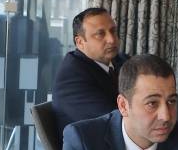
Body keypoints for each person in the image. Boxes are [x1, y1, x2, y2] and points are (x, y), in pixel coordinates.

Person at [52, 7, 128, 140]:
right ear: (80, 42)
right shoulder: (71, 78)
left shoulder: (121, 60)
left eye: (113, 31)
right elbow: (115, 122)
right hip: (98, 148)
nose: (111, 39)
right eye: (100, 34)